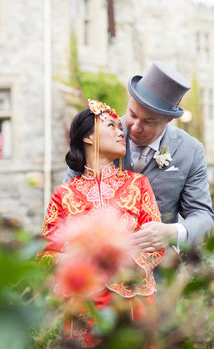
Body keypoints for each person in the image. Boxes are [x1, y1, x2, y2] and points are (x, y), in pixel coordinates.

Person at [42, 100, 165, 346]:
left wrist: (122, 263)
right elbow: (47, 254)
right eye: (111, 125)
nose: (122, 132)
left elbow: (156, 245)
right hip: (83, 306)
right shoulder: (63, 194)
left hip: (132, 303)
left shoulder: (137, 185)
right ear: (88, 137)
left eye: (120, 127)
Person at [65, 61, 214, 251]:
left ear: (168, 119)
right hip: (97, 266)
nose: (135, 126)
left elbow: (203, 216)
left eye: (148, 121)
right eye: (132, 114)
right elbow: (64, 202)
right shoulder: (97, 136)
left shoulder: (191, 151)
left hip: (158, 273)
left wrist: (172, 233)